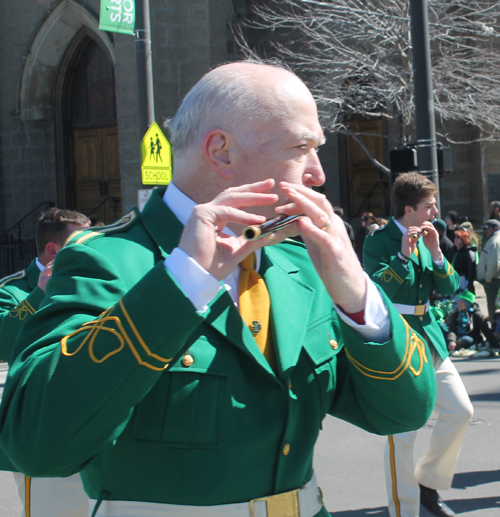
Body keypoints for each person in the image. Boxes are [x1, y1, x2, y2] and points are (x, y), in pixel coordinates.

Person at [0, 62, 436, 517]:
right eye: (300, 147)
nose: (318, 173)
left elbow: (403, 412)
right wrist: (182, 282)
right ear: (221, 152)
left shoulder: (301, 262)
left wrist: (358, 296)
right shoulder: (106, 259)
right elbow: (37, 445)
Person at [363, 172, 473, 517]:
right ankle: (404, 510)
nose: (436, 211)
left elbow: (451, 284)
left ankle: (427, 483)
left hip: (430, 335)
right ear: (408, 209)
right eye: (429, 205)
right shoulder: (378, 242)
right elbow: (379, 292)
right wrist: (402, 257)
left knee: (460, 411)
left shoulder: (431, 234)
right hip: (397, 340)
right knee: (403, 432)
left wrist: (437, 253)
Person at [0, 207, 90, 517]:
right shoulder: (14, 290)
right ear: (52, 250)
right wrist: (39, 294)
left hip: (91, 426)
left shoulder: (92, 283)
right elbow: (2, 343)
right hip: (41, 432)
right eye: (81, 242)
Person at [446, 291, 499, 357]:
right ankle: (453, 346)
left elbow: (486, 331)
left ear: (467, 303)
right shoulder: (456, 314)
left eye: (461, 302)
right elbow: (452, 329)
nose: (459, 304)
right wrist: (451, 340)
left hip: (472, 338)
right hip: (458, 337)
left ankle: (452, 347)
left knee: (465, 339)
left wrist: (495, 345)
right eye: (459, 301)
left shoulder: (477, 315)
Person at [477, 219, 500, 321]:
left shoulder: (495, 241)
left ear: (495, 228)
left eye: (488, 229)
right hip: (494, 279)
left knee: (493, 307)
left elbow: (494, 264)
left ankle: (495, 332)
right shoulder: (494, 239)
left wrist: (488, 279)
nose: (486, 231)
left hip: (494, 281)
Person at [450, 229, 477, 295]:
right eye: (455, 237)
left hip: (464, 283)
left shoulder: (469, 252)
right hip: (454, 281)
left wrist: (468, 286)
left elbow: (471, 272)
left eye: (458, 237)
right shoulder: (454, 251)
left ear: (464, 239)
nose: (455, 239)